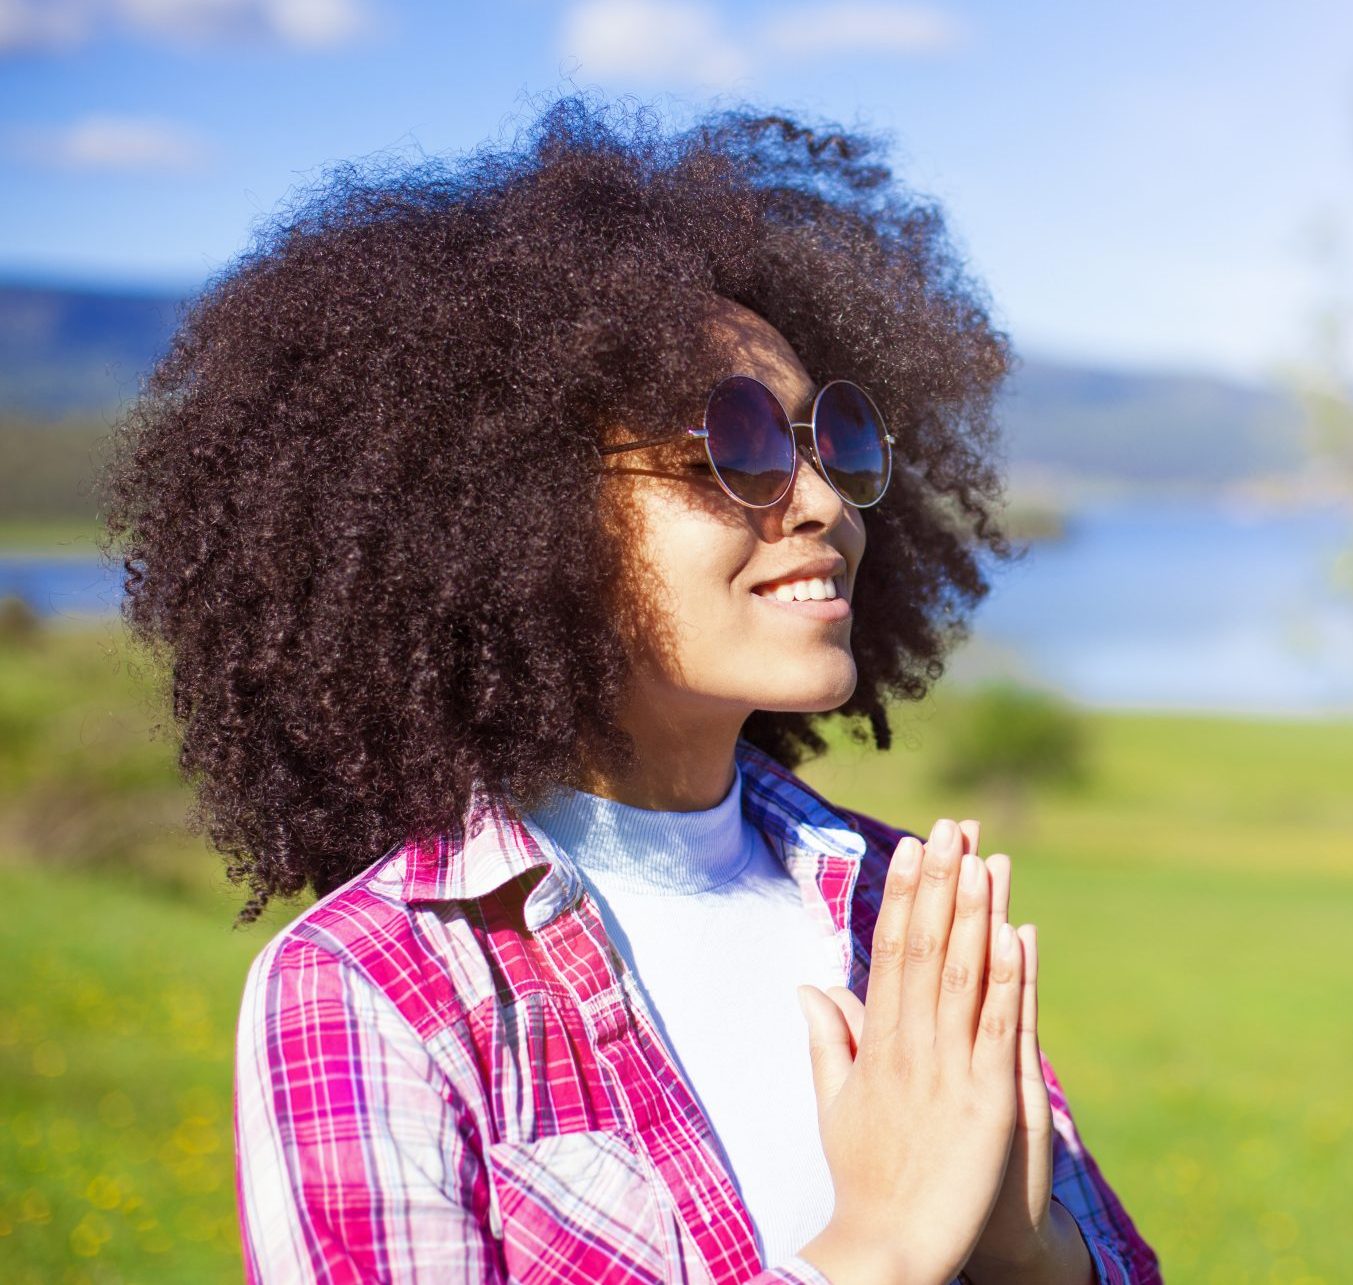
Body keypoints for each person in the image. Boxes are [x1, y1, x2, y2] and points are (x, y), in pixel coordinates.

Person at [102, 95, 1161, 1285]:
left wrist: (1034, 1257)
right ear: (510, 514)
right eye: (739, 446)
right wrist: (877, 1251)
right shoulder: (374, 985)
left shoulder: (895, 909)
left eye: (829, 441)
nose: (818, 502)